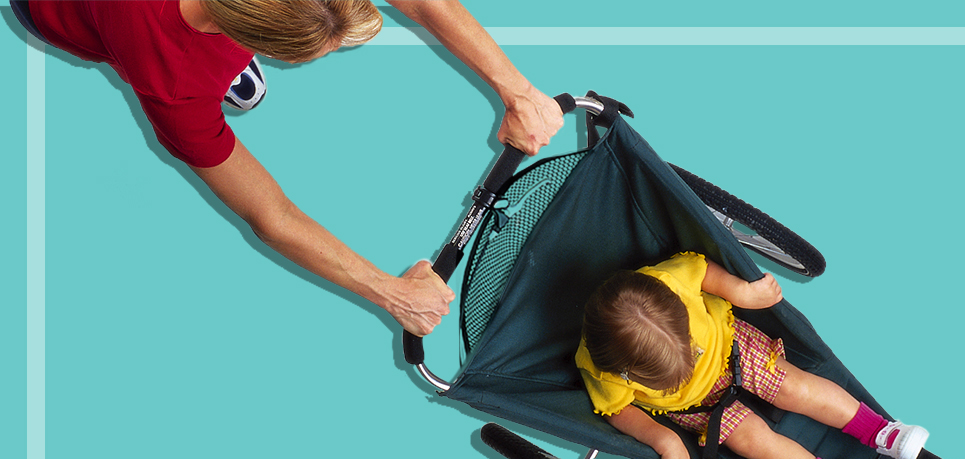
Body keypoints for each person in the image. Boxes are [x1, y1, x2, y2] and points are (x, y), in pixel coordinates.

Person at [12, 0, 565, 336]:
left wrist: (517, 90)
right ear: (249, 38)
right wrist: (387, 290)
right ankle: (227, 76)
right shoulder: (176, 87)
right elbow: (270, 213)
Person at [575, 253, 930, 459]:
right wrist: (661, 438)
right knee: (753, 443)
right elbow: (618, 410)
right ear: (624, 372)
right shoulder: (601, 370)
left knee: (796, 388)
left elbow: (702, 270)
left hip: (731, 351)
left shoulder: (667, 283)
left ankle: (882, 432)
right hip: (697, 408)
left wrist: (742, 292)